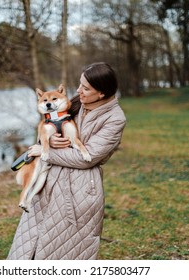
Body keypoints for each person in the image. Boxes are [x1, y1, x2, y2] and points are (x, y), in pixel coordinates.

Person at [7, 62, 126, 260]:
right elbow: (44, 132)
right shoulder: (73, 104)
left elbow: (88, 158)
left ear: (102, 93)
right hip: (47, 183)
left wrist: (47, 153)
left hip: (79, 189)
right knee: (28, 247)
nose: (79, 90)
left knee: (64, 250)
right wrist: (49, 140)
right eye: (80, 84)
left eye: (86, 88)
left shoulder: (115, 119)